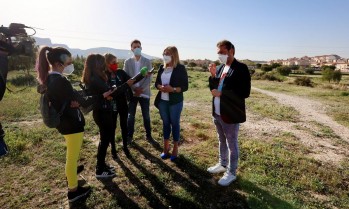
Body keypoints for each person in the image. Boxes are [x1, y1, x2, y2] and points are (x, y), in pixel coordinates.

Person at [36, 46, 112, 202]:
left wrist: (76, 100)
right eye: (69, 62)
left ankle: (72, 179)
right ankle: (73, 190)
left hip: (64, 123)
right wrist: (102, 95)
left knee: (71, 156)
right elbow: (83, 101)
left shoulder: (50, 78)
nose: (71, 65)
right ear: (59, 63)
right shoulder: (61, 81)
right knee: (71, 158)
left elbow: (75, 98)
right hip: (72, 124)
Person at [81, 54, 134, 178]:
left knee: (104, 140)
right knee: (104, 141)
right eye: (103, 63)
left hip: (103, 111)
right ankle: (100, 169)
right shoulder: (95, 79)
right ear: (98, 64)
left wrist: (110, 92)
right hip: (102, 112)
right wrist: (126, 85)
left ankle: (102, 165)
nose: (105, 65)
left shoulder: (95, 77)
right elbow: (112, 93)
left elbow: (109, 92)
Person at [207, 40, 251, 186]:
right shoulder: (220, 68)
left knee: (231, 143)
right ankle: (222, 163)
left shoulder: (241, 68)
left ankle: (231, 172)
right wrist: (213, 76)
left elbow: (244, 92)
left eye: (223, 52)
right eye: (218, 52)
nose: (220, 55)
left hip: (230, 113)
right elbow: (214, 89)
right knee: (221, 140)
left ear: (232, 51)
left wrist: (222, 94)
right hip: (218, 112)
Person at [154, 46, 188, 161]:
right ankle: (165, 147)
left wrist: (172, 89)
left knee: (175, 124)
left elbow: (185, 87)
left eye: (167, 53)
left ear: (174, 55)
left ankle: (175, 148)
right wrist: (160, 87)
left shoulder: (180, 68)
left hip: (175, 102)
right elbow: (156, 83)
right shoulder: (161, 67)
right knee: (165, 124)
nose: (165, 55)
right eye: (164, 53)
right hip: (163, 101)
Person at [123, 39, 155, 144]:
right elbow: (126, 78)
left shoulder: (147, 61)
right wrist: (134, 89)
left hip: (144, 92)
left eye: (138, 46)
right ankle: (129, 136)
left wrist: (141, 89)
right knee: (130, 116)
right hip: (132, 93)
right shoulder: (127, 62)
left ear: (141, 48)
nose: (137, 48)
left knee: (146, 115)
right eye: (134, 47)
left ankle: (149, 135)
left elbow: (149, 77)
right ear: (131, 49)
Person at [104, 53, 132, 158]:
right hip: (110, 106)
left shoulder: (120, 72)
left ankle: (125, 147)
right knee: (112, 127)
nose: (116, 64)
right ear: (107, 63)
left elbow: (130, 81)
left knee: (124, 126)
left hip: (122, 104)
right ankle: (113, 149)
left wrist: (142, 75)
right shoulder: (104, 75)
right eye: (113, 62)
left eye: (117, 62)